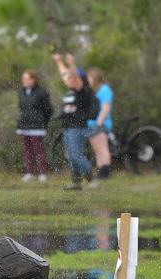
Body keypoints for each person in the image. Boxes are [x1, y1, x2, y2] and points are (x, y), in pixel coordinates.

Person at [52, 53, 98, 191]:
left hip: (77, 127)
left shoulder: (83, 90)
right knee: (70, 155)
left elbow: (75, 78)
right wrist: (58, 61)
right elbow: (64, 74)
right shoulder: (71, 90)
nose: (69, 79)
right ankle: (76, 183)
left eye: (72, 77)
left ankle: (91, 179)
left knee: (76, 155)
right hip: (68, 127)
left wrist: (71, 63)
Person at [16, 70, 52, 182]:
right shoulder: (22, 92)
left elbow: (48, 109)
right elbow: (21, 108)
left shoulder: (41, 92)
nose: (24, 81)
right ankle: (29, 173)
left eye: (27, 79)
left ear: (34, 80)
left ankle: (42, 173)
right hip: (24, 124)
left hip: (37, 125)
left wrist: (42, 121)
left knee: (38, 149)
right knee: (27, 150)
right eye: (23, 79)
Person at [86, 68, 113, 182]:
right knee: (96, 148)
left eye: (89, 77)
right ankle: (101, 170)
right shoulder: (93, 91)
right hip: (91, 123)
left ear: (95, 78)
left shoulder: (105, 90)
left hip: (101, 124)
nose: (88, 80)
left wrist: (98, 124)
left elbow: (105, 108)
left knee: (102, 148)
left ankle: (105, 171)